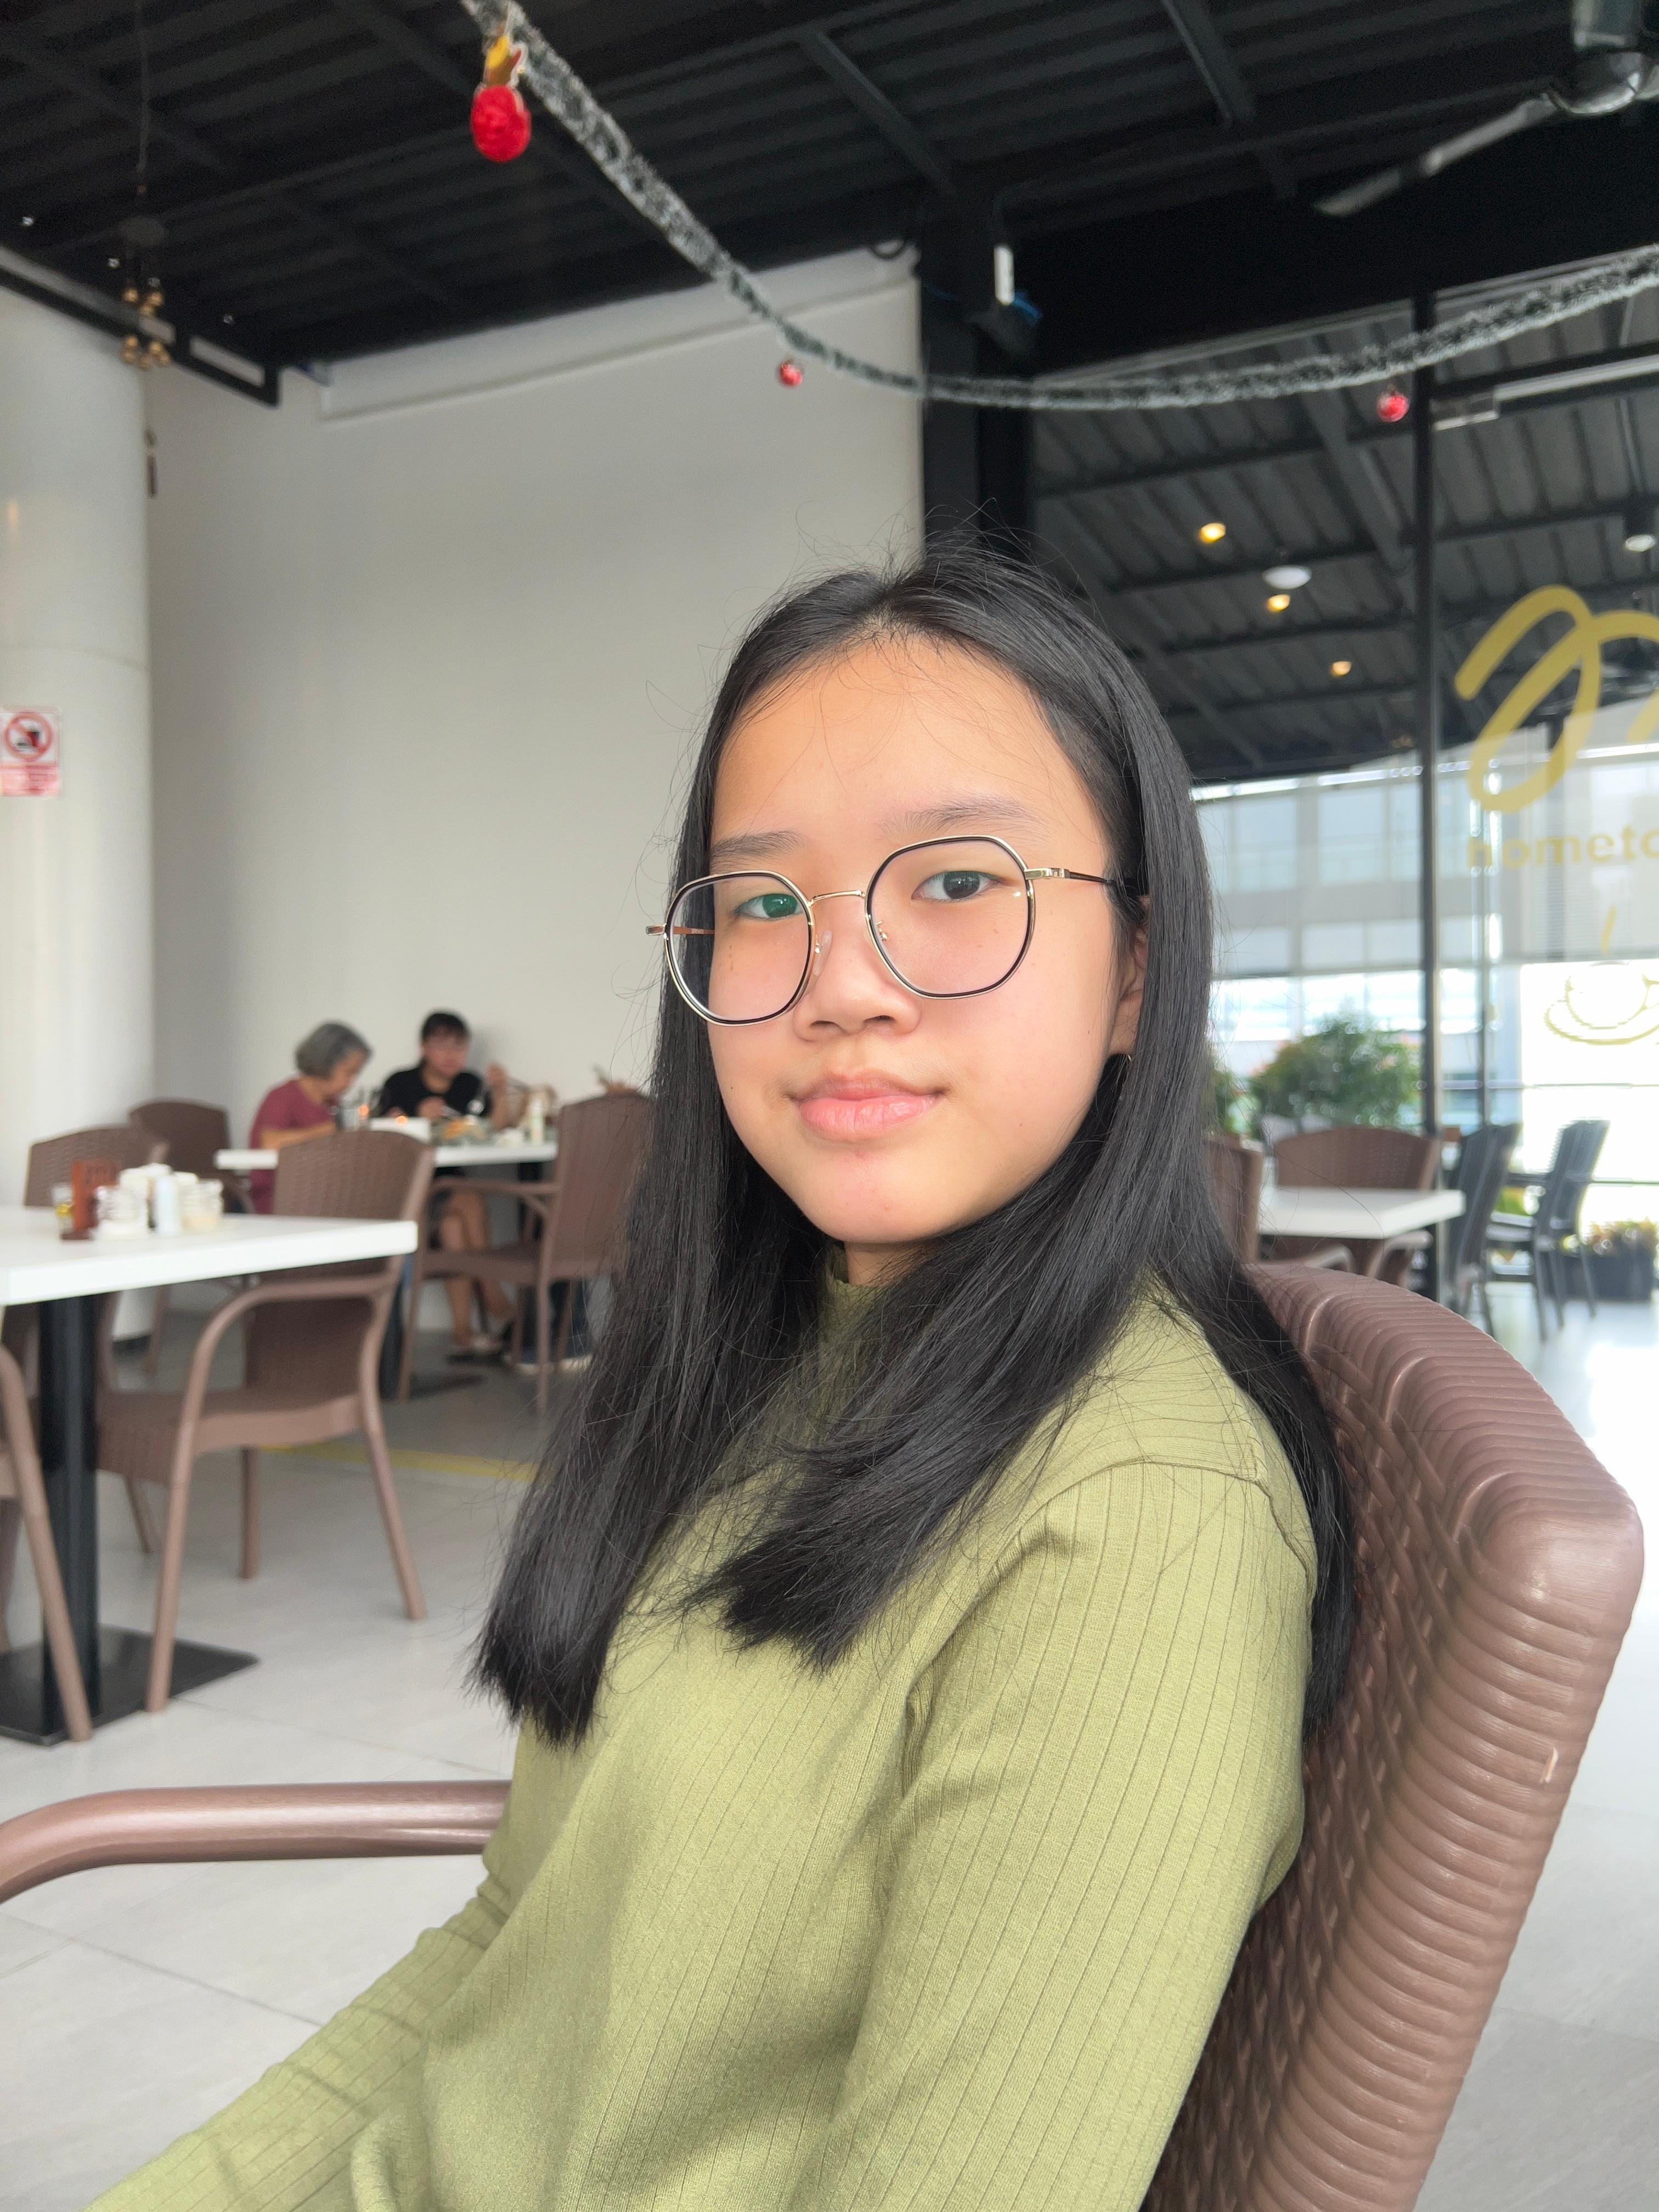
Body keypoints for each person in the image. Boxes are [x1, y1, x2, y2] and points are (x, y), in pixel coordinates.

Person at [99, 545, 1353, 2212]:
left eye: (957, 879)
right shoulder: (751, 1367)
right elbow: (508, 1945)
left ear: (1135, 966)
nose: (840, 985)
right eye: (763, 904)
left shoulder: (1139, 1523)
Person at [375, 1012, 516, 1356]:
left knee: (455, 1225)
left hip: (447, 1190)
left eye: (459, 1046)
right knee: (467, 1197)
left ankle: (463, 1334)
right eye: (441, 1045)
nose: (451, 1054)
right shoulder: (400, 1083)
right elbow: (379, 1135)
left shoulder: (469, 1083)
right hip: (409, 1192)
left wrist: (500, 1091)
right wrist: (415, 1119)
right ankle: (494, 1296)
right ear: (424, 1047)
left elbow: (493, 1129)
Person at [245, 1020, 370, 1213]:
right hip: (281, 1200)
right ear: (326, 1063)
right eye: (348, 1073)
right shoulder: (282, 1097)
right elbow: (270, 1142)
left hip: (324, 1198)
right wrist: (331, 1130)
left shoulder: (333, 1104)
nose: (350, 1083)